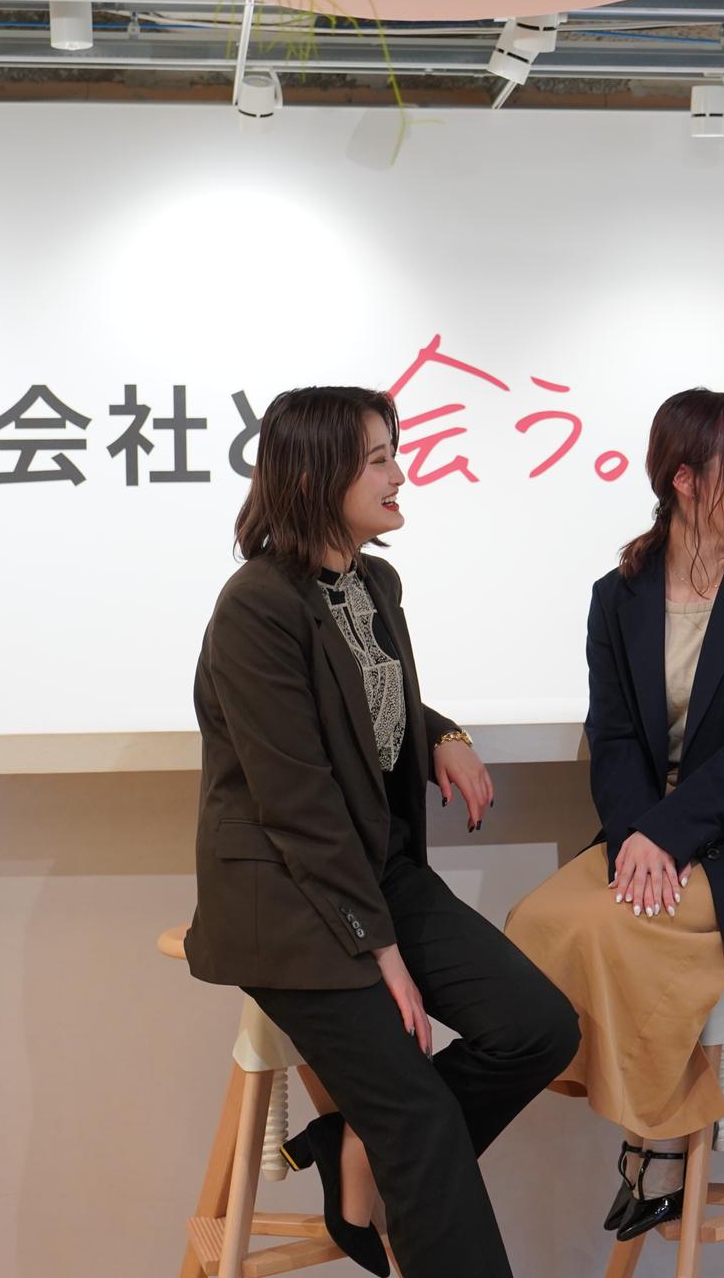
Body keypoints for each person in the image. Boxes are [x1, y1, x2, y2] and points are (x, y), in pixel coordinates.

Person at [183, 385, 578, 1278]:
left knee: (539, 1028)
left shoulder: (372, 582)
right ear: (314, 477)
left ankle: (357, 1143)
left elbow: (363, 701)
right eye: (378, 460)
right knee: (421, 1119)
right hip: (290, 895)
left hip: (375, 870)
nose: (400, 474)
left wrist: (443, 733)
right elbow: (297, 796)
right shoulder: (255, 605)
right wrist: (380, 948)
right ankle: (383, 1139)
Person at [505, 388, 724, 1242]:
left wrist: (670, 832)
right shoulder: (618, 594)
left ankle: (654, 1145)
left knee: (617, 927)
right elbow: (616, 735)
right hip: (649, 834)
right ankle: (672, 1112)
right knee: (535, 921)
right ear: (687, 479)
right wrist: (638, 836)